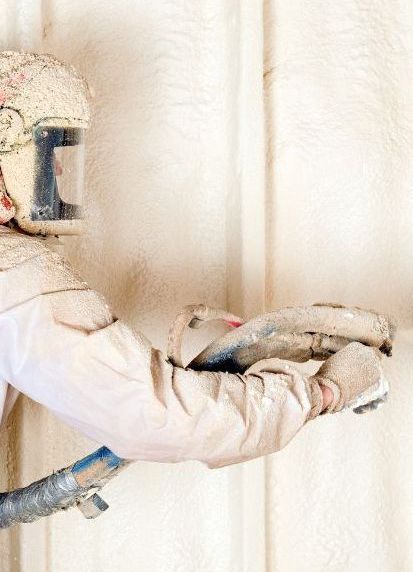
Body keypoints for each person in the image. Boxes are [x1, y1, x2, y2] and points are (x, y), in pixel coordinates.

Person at [0, 51, 388, 467]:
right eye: (50, 150)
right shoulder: (15, 273)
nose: (58, 170)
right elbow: (161, 418)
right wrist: (323, 392)